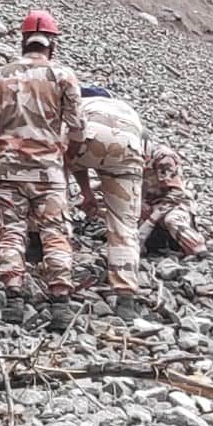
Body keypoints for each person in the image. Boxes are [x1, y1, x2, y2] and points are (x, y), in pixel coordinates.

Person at [0, 9, 84, 331]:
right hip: (49, 172)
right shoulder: (64, 76)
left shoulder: (0, 76)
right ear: (52, 44)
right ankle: (60, 301)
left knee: (10, 231)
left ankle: (13, 297)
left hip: (8, 170)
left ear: (24, 40)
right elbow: (77, 130)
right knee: (55, 233)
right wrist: (64, 162)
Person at [69, 86, 145, 322]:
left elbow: (73, 150)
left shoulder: (81, 104)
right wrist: (89, 192)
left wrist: (83, 192)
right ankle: (126, 297)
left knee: (52, 191)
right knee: (124, 224)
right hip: (130, 144)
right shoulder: (123, 106)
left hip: (89, 133)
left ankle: (45, 253)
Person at [140, 139, 208, 257]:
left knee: (172, 220)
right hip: (148, 202)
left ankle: (198, 249)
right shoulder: (127, 157)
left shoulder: (164, 159)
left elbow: (177, 193)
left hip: (174, 203)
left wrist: (150, 221)